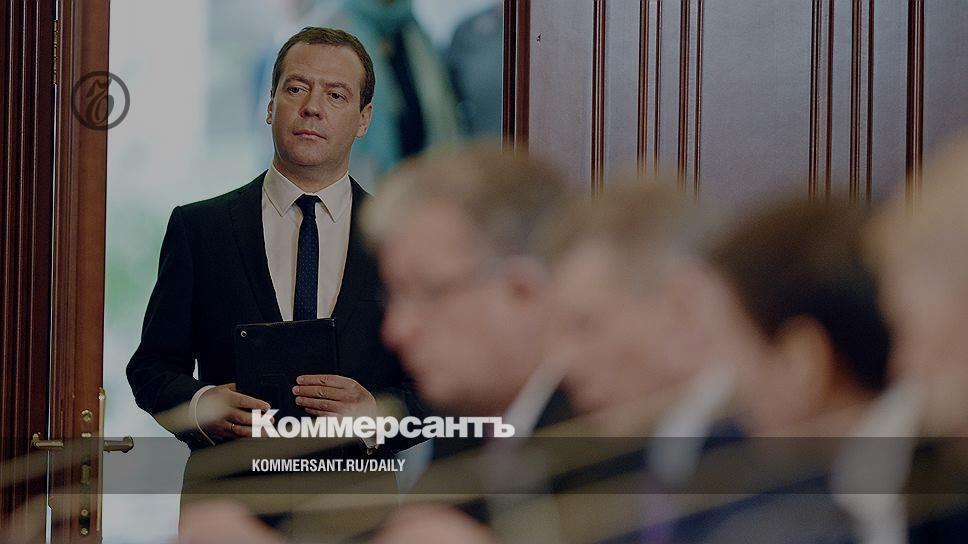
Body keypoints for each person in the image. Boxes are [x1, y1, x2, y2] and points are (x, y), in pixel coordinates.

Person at [126, 27, 423, 511]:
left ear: (364, 119)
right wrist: (201, 407)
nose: (312, 107)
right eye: (296, 88)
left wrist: (376, 414)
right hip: (227, 507)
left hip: (356, 515)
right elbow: (152, 368)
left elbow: (438, 386)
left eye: (336, 95)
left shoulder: (400, 239)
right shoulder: (200, 228)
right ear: (270, 105)